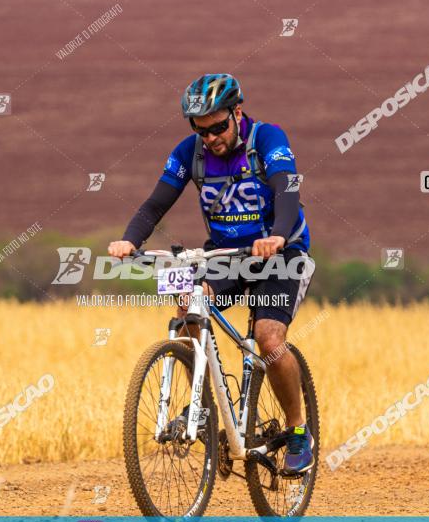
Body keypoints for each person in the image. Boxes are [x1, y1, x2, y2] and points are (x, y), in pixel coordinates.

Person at [108, 73, 315, 476]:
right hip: (226, 254)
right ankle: (204, 405)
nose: (211, 138)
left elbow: (287, 194)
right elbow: (154, 206)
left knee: (268, 338)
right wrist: (129, 241)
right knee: (187, 304)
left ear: (237, 112)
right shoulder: (190, 153)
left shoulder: (268, 140)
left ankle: (297, 432)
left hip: (282, 253)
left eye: (218, 127)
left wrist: (275, 236)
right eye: (200, 130)